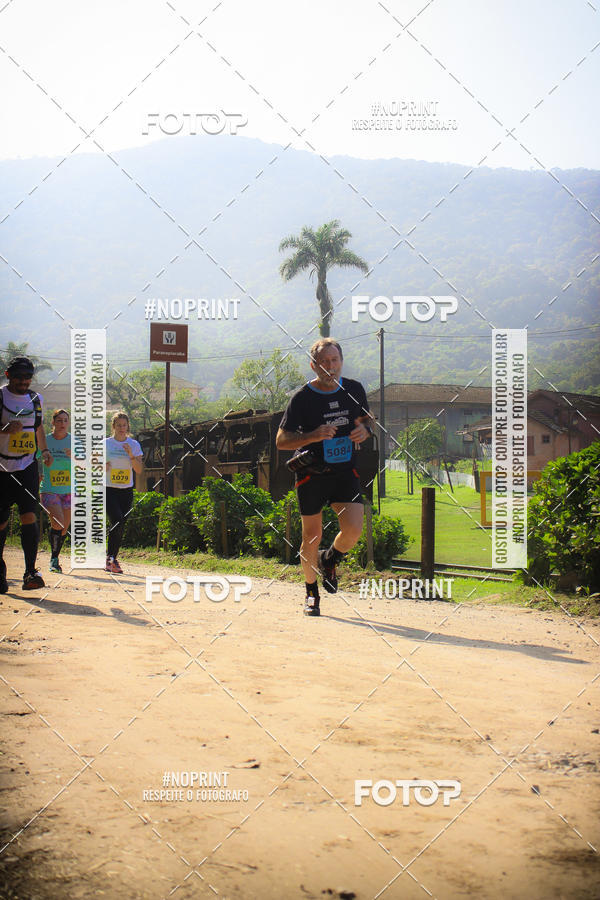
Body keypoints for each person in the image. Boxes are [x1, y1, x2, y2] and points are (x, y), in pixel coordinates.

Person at [276, 338, 373, 616]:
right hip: (312, 474)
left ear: (341, 362)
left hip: (344, 470)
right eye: (324, 362)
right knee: (311, 536)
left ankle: (330, 559)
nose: (330, 367)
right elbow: (281, 441)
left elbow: (366, 419)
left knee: (354, 530)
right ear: (313, 365)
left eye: (334, 361)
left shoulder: (354, 389)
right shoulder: (302, 398)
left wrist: (365, 431)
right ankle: (311, 592)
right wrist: (313, 435)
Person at [0, 356, 52, 592]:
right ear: (9, 375)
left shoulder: (36, 399)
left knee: (28, 516)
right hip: (2, 468)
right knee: (1, 522)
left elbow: (38, 427)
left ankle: (30, 571)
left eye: (28, 377)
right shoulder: (0, 396)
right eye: (19, 377)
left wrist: (45, 450)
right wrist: (5, 429)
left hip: (28, 466)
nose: (24, 381)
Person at [105, 412, 143, 574]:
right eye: (118, 425)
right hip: (109, 489)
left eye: (124, 425)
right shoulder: (105, 444)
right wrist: (101, 466)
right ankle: (111, 559)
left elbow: (139, 470)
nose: (121, 428)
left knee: (120, 525)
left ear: (128, 426)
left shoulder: (133, 445)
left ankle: (111, 557)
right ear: (113, 426)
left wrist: (131, 455)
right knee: (117, 519)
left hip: (126, 490)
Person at [39, 409, 71, 573]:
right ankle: (54, 560)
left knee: (64, 527)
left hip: (68, 490)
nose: (62, 424)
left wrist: (75, 457)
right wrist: (42, 468)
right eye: (59, 420)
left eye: (65, 420)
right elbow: (36, 459)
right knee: (57, 521)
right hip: (49, 489)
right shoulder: (45, 441)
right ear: (53, 422)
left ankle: (55, 555)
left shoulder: (74, 441)